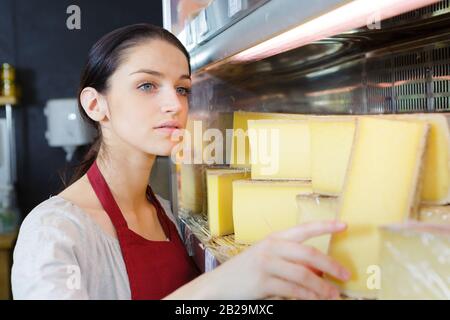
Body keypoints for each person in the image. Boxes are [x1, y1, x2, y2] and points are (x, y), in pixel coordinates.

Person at [11, 23, 350, 300]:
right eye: (147, 85)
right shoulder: (53, 233)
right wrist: (220, 285)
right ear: (95, 105)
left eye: (183, 88)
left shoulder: (162, 211)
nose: (174, 104)